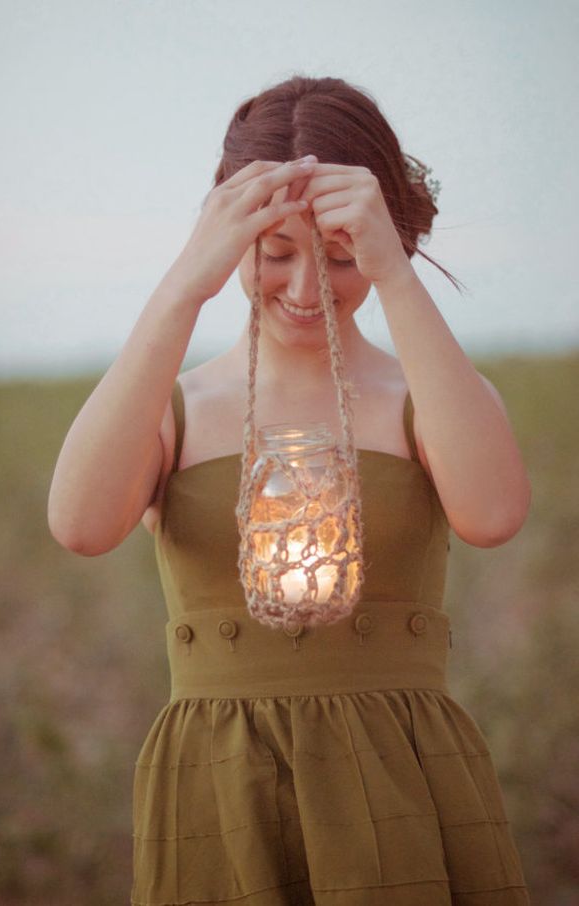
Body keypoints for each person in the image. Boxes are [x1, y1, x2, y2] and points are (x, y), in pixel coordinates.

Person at [48, 75, 532, 905]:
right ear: (226, 236)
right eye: (275, 254)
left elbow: (492, 516)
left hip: (403, 776)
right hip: (218, 781)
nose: (307, 291)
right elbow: (81, 526)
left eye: (342, 257)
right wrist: (183, 286)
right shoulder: (177, 404)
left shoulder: (424, 397)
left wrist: (397, 276)